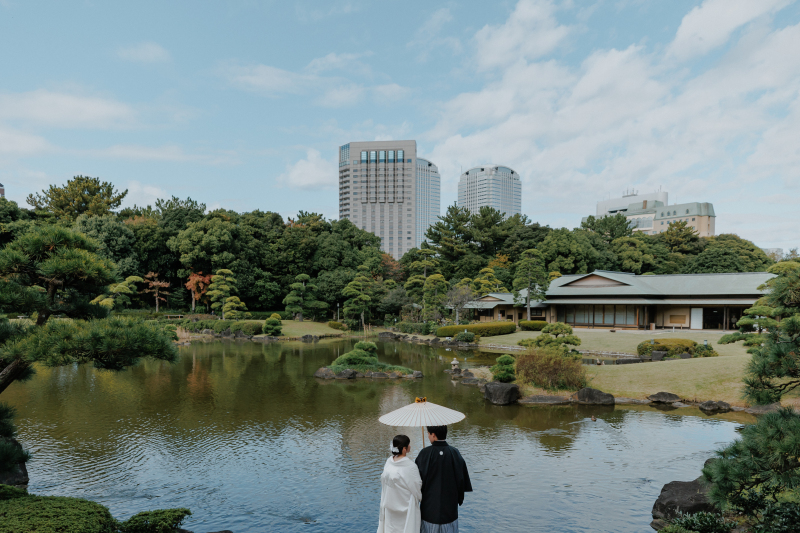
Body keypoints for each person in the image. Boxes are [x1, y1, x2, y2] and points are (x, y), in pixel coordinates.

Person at [415, 425, 472, 533]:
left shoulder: (424, 453)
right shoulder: (455, 453)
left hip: (429, 510)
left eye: (428, 433)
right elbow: (461, 480)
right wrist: (459, 499)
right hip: (449, 510)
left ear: (433, 435)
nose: (428, 436)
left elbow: (417, 482)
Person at [377, 434, 422, 533]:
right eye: (408, 445)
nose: (410, 446)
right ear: (404, 449)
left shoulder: (389, 462)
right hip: (405, 509)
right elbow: (417, 487)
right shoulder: (410, 466)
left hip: (389, 506)